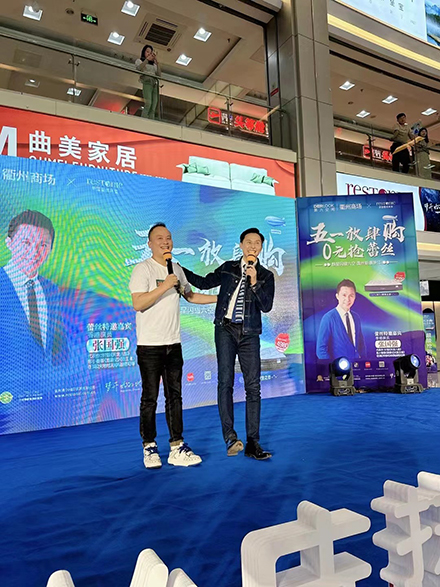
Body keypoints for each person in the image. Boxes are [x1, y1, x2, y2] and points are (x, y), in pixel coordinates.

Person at [129, 223, 217, 469]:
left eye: (168, 238)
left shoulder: (176, 268)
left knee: (174, 397)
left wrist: (221, 298)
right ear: (150, 243)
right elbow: (138, 303)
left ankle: (177, 446)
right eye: (159, 238)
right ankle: (149, 447)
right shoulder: (143, 269)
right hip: (150, 346)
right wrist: (164, 286)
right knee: (150, 398)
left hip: (173, 344)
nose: (165, 242)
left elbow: (191, 296)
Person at [182, 228, 274, 461]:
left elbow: (266, 306)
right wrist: (180, 270)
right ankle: (230, 438)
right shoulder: (228, 268)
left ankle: (253, 442)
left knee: (253, 387)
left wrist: (254, 282)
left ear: (261, 248)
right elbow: (203, 283)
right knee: (225, 383)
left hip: (250, 333)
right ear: (241, 245)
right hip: (225, 329)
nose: (253, 246)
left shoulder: (265, 275)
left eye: (257, 243)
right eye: (248, 242)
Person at [0, 210, 67, 373]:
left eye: (43, 245)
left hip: (46, 382)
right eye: (26, 243)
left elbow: (58, 344)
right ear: (9, 243)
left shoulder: (51, 289)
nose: (34, 252)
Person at [316, 279, 365, 361]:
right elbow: (321, 350)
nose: (348, 299)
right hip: (339, 367)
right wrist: (332, 366)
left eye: (351, 295)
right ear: (337, 296)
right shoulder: (328, 318)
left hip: (357, 366)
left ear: (355, 297)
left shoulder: (356, 317)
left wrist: (363, 362)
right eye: (344, 295)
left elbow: (361, 344)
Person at [135, 44, 161, 119]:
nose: (149, 54)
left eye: (151, 52)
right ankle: (144, 118)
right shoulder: (140, 61)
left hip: (155, 84)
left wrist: (157, 63)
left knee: (153, 106)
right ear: (143, 52)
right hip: (147, 82)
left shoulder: (154, 65)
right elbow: (139, 68)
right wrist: (147, 60)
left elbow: (159, 74)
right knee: (148, 103)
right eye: (147, 52)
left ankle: (151, 120)